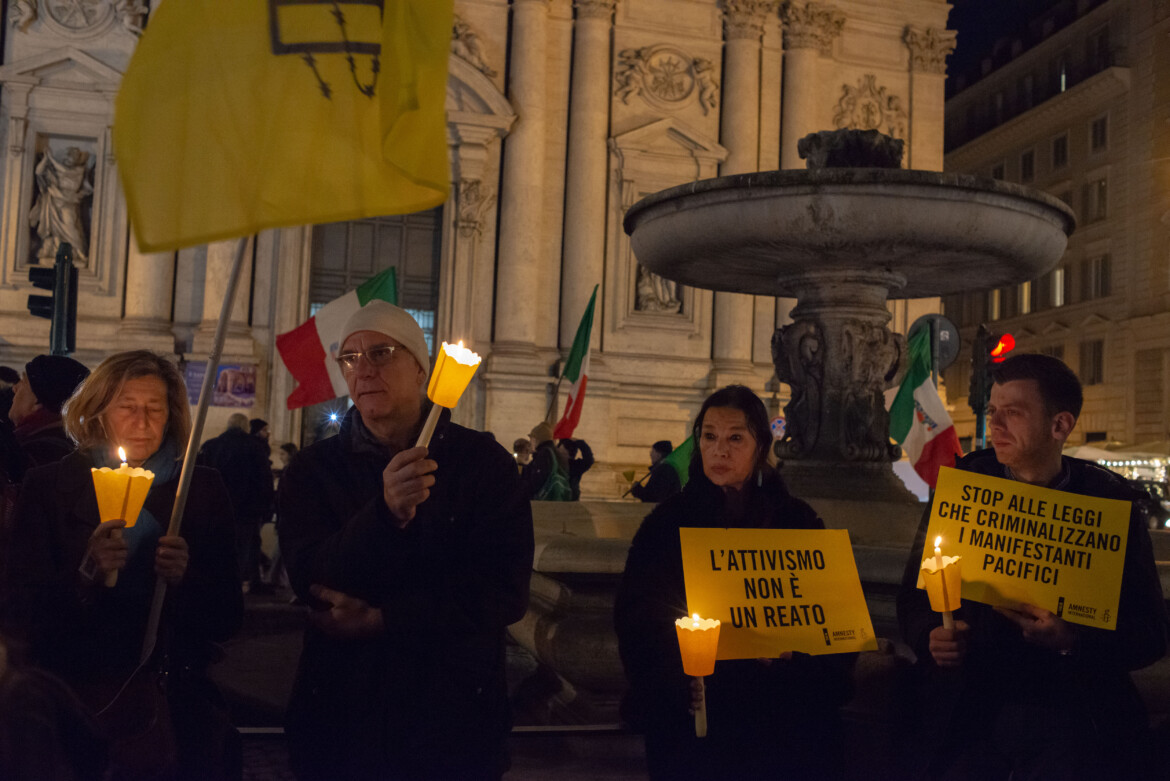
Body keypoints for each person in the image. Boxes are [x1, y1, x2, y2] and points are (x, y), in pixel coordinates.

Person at [277, 300, 534, 780]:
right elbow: (312, 578)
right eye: (350, 358)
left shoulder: (483, 464)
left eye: (381, 352)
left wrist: (384, 619)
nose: (363, 369)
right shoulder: (311, 471)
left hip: (453, 723)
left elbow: (502, 592)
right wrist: (385, 514)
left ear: (422, 370)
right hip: (342, 719)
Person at [896, 353, 1169, 781]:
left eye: (1014, 413)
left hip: (1071, 723)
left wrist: (1071, 638)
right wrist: (931, 634)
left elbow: (1150, 633)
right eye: (993, 412)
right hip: (969, 716)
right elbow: (916, 592)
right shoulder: (965, 485)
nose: (996, 425)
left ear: (1060, 425)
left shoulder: (1108, 503)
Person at [1, 350, 243, 779]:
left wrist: (185, 579)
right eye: (127, 407)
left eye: (155, 408)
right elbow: (20, 609)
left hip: (174, 705)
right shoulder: (50, 486)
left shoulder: (201, 489)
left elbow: (227, 616)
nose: (143, 421)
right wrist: (86, 573)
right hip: (82, 703)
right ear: (99, 412)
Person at [615, 385, 856, 780]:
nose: (719, 450)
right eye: (709, 437)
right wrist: (677, 676)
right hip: (699, 724)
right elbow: (637, 619)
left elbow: (835, 625)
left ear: (760, 445)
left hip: (784, 729)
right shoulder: (666, 526)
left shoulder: (797, 523)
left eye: (735, 438)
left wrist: (796, 658)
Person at [197, 412, 274, 593]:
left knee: (218, 545)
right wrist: (266, 504)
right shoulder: (254, 447)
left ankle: (218, 583)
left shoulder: (211, 446)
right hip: (247, 508)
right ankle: (239, 584)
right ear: (246, 427)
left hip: (216, 507)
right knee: (247, 545)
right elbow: (263, 479)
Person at [4, 354, 90, 483]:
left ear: (37, 401)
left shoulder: (34, 453)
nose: (15, 388)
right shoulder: (71, 447)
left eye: (23, 382)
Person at [523, 422, 571, 501]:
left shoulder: (544, 454)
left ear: (537, 439)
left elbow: (536, 481)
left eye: (531, 439)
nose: (530, 442)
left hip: (544, 502)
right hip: (557, 499)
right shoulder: (556, 453)